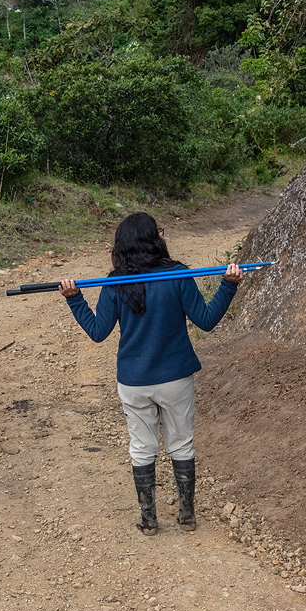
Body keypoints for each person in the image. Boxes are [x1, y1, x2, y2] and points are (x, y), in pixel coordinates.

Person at [58, 212, 242, 536]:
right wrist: (228, 285)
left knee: (142, 448)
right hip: (176, 378)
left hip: (134, 381)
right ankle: (186, 515)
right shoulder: (177, 274)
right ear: (154, 238)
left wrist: (75, 300)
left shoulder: (115, 282)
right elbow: (207, 320)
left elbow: (98, 332)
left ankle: (149, 519)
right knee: (181, 445)